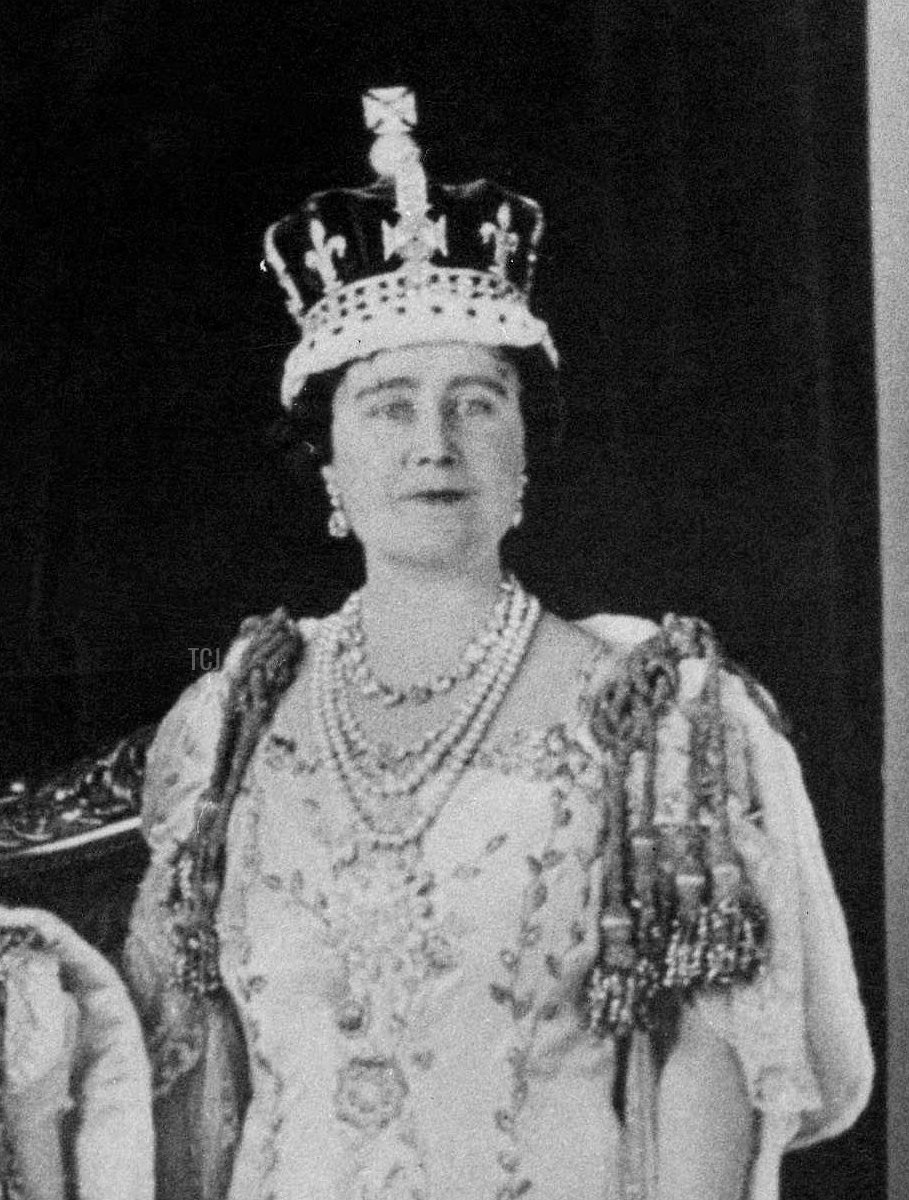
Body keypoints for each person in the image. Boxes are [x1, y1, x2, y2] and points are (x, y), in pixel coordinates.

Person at [0, 87, 873, 1200]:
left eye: (476, 403)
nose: (433, 445)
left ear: (524, 457)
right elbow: (184, 1084)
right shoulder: (225, 728)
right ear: (327, 468)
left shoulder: (654, 712)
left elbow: (707, 1068)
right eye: (387, 405)